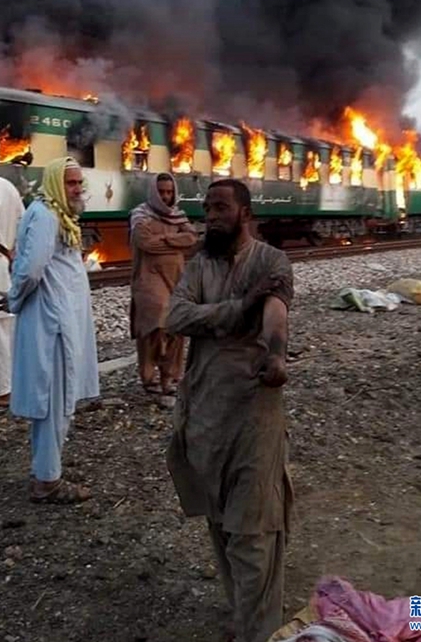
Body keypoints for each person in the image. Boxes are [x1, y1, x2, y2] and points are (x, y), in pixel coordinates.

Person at [166, 179, 294, 642]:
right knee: (220, 522)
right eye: (207, 208)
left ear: (245, 213)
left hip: (253, 411)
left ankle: (259, 631)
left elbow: (274, 312)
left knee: (254, 529)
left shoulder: (271, 261)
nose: (211, 216)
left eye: (221, 207)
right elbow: (174, 316)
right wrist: (237, 309)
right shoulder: (199, 265)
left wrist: (276, 355)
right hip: (204, 413)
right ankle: (244, 617)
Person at [0, 157, 99, 503]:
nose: (78, 189)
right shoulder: (45, 216)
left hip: (59, 321)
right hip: (52, 325)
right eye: (71, 183)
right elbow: (30, 269)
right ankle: (47, 481)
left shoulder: (57, 214)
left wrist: (15, 297)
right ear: (55, 182)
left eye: (79, 182)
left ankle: (46, 470)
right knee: (53, 401)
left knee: (58, 399)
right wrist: (14, 298)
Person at [129, 172, 197, 408]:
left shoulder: (178, 215)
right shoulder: (140, 215)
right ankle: (149, 376)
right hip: (148, 279)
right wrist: (174, 241)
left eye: (169, 192)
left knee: (176, 326)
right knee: (154, 324)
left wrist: (163, 240)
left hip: (175, 278)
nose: (166, 197)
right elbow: (144, 242)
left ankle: (169, 378)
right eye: (161, 192)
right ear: (153, 192)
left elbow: (191, 238)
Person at [0, 139, 24, 407]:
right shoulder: (8, 187)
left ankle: (1, 390)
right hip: (3, 265)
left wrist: (4, 248)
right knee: (4, 325)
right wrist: (13, 252)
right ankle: (8, 384)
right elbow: (22, 222)